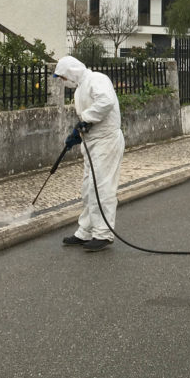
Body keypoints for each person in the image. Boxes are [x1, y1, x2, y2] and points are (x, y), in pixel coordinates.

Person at [53, 56, 125, 252]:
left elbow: (106, 102)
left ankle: (103, 234)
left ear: (71, 72)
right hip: (92, 143)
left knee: (102, 188)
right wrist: (78, 134)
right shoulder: (80, 89)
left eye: (62, 77)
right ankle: (85, 231)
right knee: (88, 188)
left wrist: (85, 120)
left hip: (107, 141)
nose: (62, 82)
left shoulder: (97, 79)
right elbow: (89, 115)